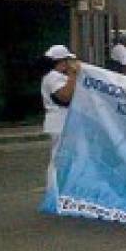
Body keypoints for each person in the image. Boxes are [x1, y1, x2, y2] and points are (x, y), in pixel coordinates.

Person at [41, 44, 79, 191]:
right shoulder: (53, 77)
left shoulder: (57, 76)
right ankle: (54, 191)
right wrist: (73, 76)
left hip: (62, 122)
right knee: (59, 159)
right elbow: (65, 97)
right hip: (59, 122)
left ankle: (62, 190)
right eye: (67, 61)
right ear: (61, 61)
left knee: (66, 158)